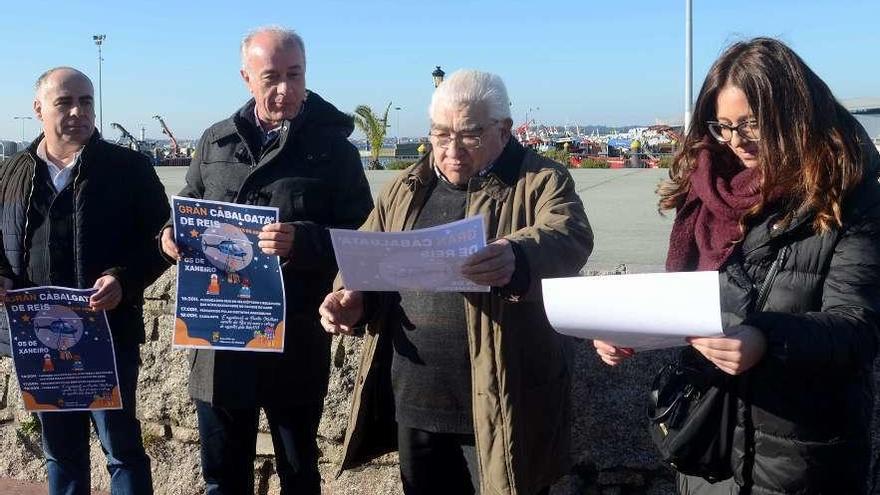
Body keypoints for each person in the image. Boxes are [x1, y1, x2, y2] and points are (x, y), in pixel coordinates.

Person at [594, 37, 880, 494]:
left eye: (750, 123)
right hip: (706, 441)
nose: (734, 140)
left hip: (798, 456)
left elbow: (860, 328)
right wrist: (626, 327)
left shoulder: (848, 193)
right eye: (723, 125)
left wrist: (766, 339)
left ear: (794, 111)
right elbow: (682, 304)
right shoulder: (709, 186)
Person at [319, 69, 594, 495]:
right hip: (415, 401)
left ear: (503, 130)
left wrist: (516, 255)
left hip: (500, 404)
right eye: (440, 135)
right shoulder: (407, 186)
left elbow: (570, 234)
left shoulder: (541, 180)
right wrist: (350, 300)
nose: (451, 150)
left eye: (469, 135)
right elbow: (369, 259)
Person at [159, 26, 373, 494]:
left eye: (295, 75)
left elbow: (364, 235)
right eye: (271, 77)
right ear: (246, 77)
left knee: (299, 472)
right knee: (221, 475)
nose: (285, 89)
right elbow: (189, 202)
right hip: (219, 336)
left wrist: (304, 240)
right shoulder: (214, 142)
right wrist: (168, 236)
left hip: (293, 337)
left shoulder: (334, 149)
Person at [0, 67, 169, 494]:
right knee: (60, 451)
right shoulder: (10, 174)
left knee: (122, 449)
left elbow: (161, 240)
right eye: (64, 102)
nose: (78, 112)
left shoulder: (128, 168)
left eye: (86, 102)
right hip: (37, 339)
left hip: (107, 335)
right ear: (38, 109)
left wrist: (123, 279)